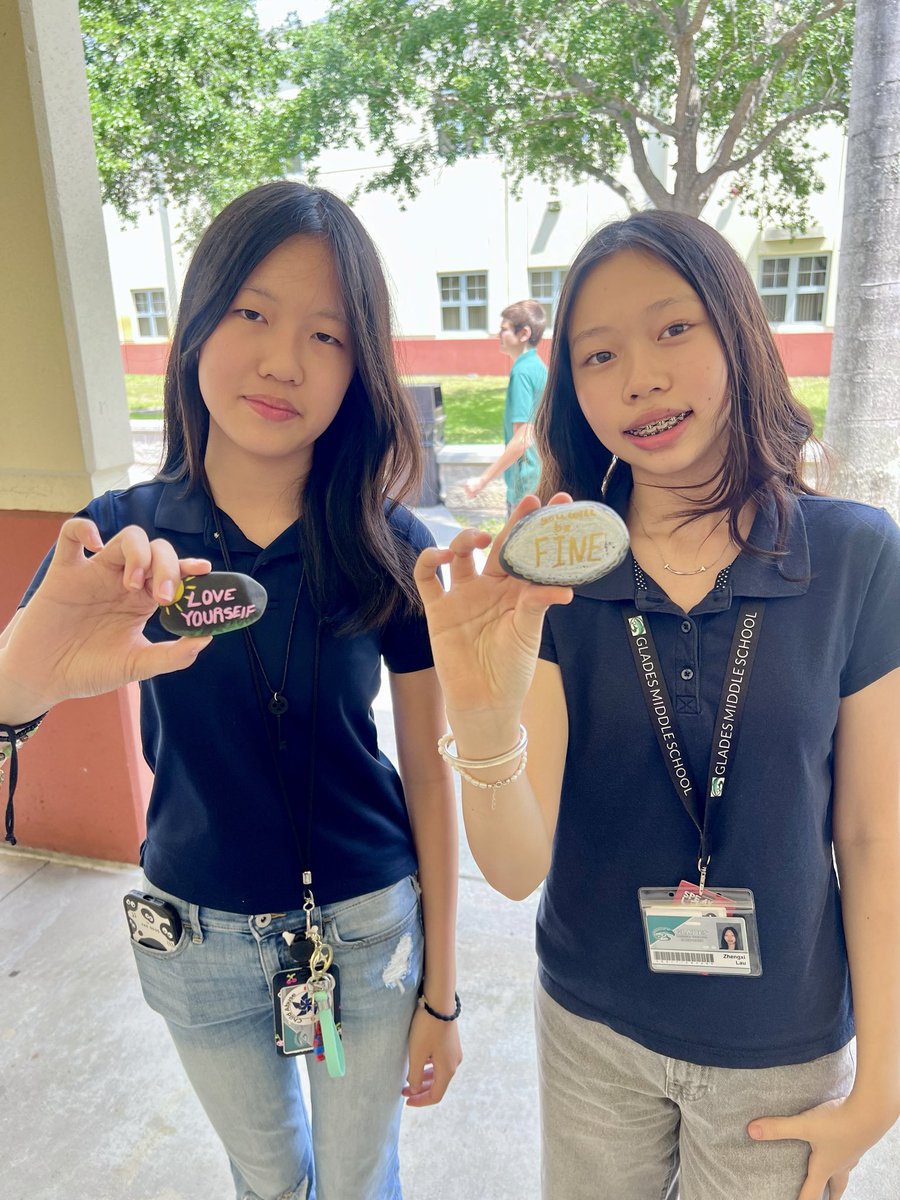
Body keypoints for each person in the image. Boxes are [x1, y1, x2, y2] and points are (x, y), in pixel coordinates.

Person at [415, 210, 899, 1200]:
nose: (639, 377)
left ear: (738, 334)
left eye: (674, 328)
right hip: (594, 1032)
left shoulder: (857, 555)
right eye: (598, 355)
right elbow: (515, 868)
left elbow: (875, 835)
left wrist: (881, 1089)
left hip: (782, 1045)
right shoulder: (554, 577)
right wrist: (483, 718)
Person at [0, 181, 461, 1200]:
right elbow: (11, 699)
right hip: (194, 935)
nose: (283, 360)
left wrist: (443, 994)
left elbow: (431, 770)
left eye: (327, 335)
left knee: (360, 1183)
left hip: (366, 929)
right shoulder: (119, 542)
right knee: (268, 1185)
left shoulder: (388, 545)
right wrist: (16, 689)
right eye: (253, 312)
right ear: (199, 321)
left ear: (359, 369)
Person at [464, 299, 547, 512]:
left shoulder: (522, 372)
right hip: (540, 478)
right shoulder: (538, 367)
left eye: (504, 329)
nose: (498, 335)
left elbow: (523, 438)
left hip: (525, 485)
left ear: (524, 333)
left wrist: (482, 480)